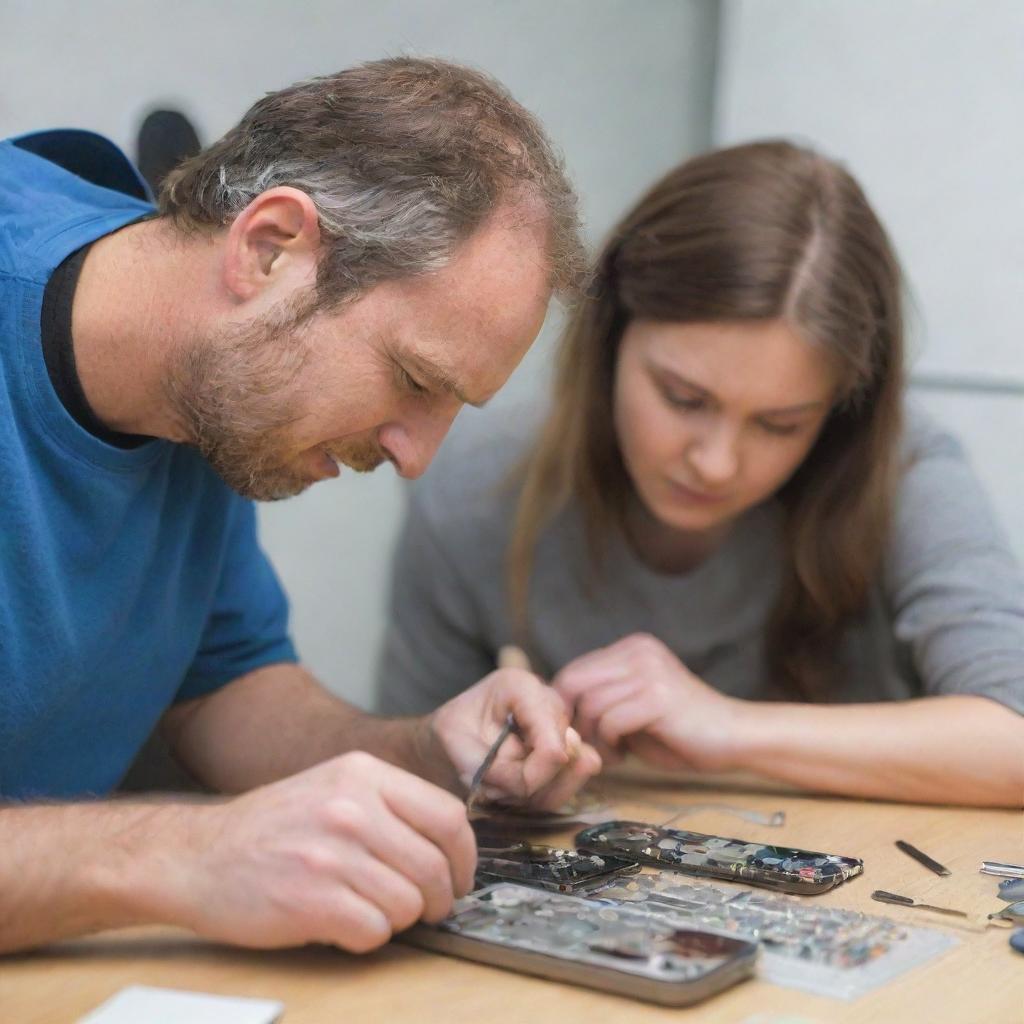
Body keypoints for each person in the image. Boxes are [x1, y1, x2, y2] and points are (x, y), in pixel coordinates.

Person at [0, 57, 603, 956]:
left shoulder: (208, 392)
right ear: (269, 246)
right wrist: (180, 854)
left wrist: (425, 752)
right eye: (413, 379)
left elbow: (220, 693)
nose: (415, 458)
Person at [376, 140, 1024, 809]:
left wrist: (729, 728)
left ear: (839, 412)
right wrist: (495, 768)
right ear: (611, 336)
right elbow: (414, 769)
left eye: (781, 424)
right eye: (684, 399)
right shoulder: (475, 481)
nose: (715, 463)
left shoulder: (904, 467)